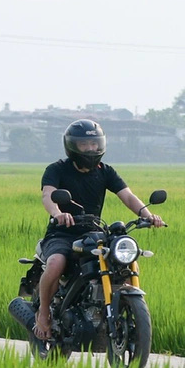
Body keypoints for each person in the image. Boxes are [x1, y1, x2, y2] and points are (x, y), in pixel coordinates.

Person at [34, 119, 163, 343]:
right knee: (56, 263)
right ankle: (43, 314)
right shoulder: (57, 169)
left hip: (93, 234)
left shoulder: (106, 171)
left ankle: (122, 308)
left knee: (126, 262)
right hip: (62, 233)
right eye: (85, 144)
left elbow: (128, 196)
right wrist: (58, 214)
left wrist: (147, 215)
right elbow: (48, 195)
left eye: (94, 143)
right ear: (73, 146)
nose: (91, 149)